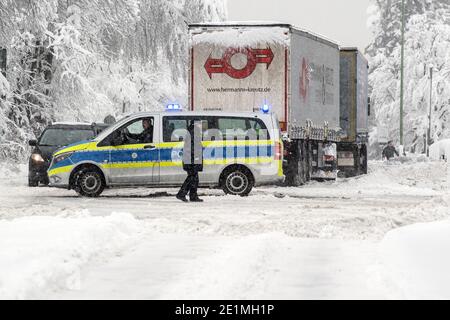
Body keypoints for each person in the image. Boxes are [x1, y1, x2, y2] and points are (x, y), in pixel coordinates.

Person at [176, 120, 204, 202]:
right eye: (199, 123)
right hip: (192, 160)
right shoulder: (194, 132)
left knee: (194, 178)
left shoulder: (192, 132)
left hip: (191, 159)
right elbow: (193, 148)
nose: (200, 125)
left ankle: (193, 196)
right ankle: (181, 194)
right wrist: (195, 158)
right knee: (192, 178)